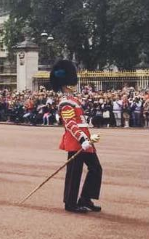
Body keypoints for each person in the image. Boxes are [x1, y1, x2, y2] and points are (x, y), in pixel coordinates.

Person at [50, 60, 103, 213]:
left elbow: (80, 121)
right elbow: (70, 124)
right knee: (74, 172)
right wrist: (82, 139)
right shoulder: (65, 102)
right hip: (76, 140)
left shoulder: (74, 100)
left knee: (96, 169)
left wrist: (88, 134)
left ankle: (85, 198)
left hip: (85, 139)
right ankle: (70, 203)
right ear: (65, 84)